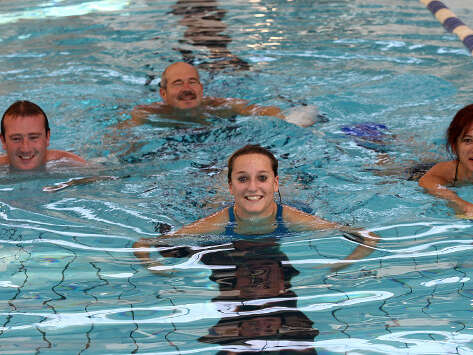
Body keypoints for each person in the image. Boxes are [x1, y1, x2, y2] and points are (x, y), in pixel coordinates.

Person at [134, 144, 379, 272]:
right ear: (230, 186)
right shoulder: (216, 222)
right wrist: (155, 267)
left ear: (275, 183)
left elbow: (368, 237)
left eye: (262, 178)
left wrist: (339, 266)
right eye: (242, 179)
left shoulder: (294, 218)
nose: (252, 187)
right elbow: (144, 244)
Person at [126, 62, 319, 129]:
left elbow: (255, 109)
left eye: (192, 82)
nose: (187, 88)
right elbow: (120, 138)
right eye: (178, 83)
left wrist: (287, 118)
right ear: (163, 94)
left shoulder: (221, 106)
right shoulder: (147, 114)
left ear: (201, 89)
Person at [419, 104, 473, 217]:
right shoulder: (446, 170)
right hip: (416, 171)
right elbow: (426, 182)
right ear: (454, 146)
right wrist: (462, 205)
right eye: (468, 140)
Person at [0, 100, 86, 171]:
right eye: (16, 139)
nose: (25, 148)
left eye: (33, 137)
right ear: (3, 141)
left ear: (47, 137)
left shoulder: (73, 165)